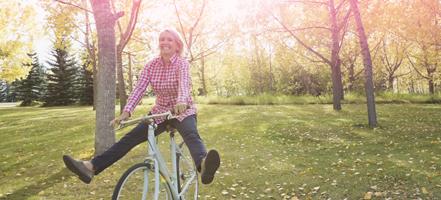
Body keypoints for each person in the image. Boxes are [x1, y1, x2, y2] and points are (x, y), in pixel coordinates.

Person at [63, 29, 220, 185]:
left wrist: (181, 101)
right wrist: (126, 112)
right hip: (160, 113)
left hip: (182, 111)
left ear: (177, 46)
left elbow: (184, 85)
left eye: (169, 40)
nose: (165, 42)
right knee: (130, 138)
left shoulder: (182, 64)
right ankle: (90, 167)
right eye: (162, 39)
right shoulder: (151, 66)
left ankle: (204, 166)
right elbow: (139, 89)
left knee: (191, 134)